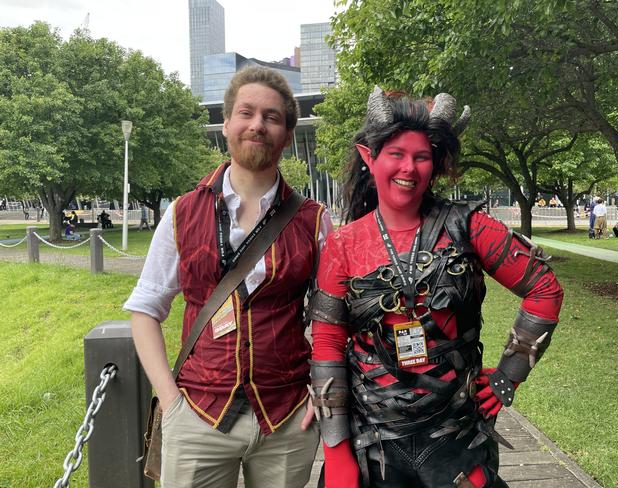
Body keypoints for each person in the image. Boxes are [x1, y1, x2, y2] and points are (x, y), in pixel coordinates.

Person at [306, 89, 564, 488]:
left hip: (456, 441)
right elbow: (326, 343)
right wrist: (337, 454)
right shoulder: (343, 245)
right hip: (371, 447)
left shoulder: (471, 227)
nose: (408, 168)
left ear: (435, 164)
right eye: (396, 153)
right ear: (368, 156)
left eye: (421, 156)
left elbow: (544, 288)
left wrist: (509, 374)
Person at [124, 66, 332, 488]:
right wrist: (171, 401)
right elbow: (145, 309)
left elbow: (334, 315)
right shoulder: (182, 213)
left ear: (288, 134)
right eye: (247, 113)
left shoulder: (314, 221)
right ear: (227, 124)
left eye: (272, 117)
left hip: (287, 418)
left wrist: (325, 388)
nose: (258, 125)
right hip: (197, 414)